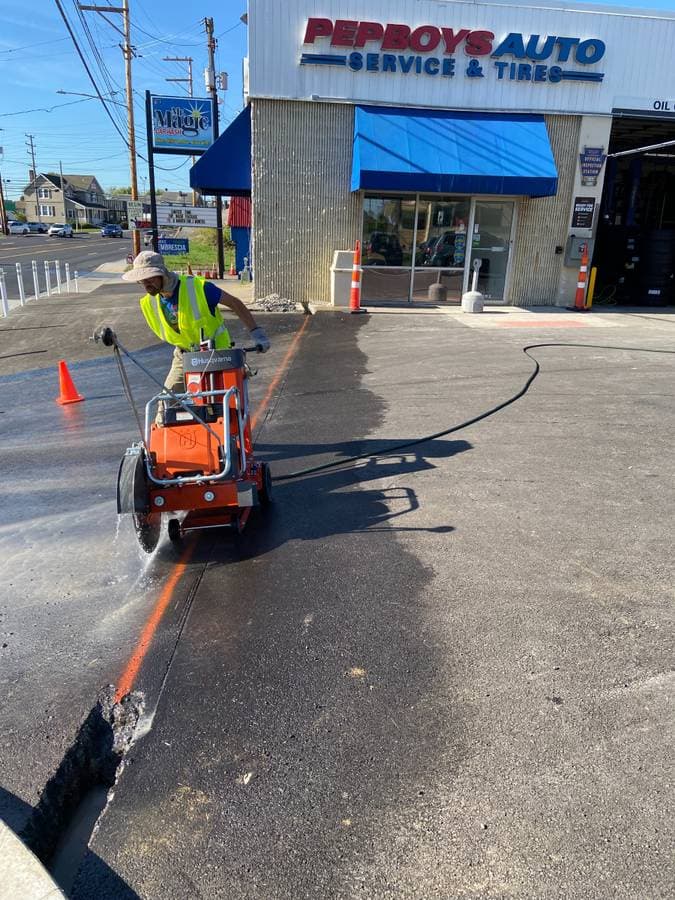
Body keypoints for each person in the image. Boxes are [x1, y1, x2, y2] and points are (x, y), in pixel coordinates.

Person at [122, 251, 270, 419]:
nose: (146, 284)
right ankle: (159, 444)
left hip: (217, 355)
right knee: (167, 401)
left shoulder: (198, 287)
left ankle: (231, 440)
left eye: (150, 279)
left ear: (162, 273)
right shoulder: (150, 302)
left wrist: (256, 332)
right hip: (184, 356)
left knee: (224, 405)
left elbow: (234, 303)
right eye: (142, 281)